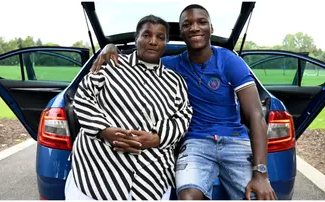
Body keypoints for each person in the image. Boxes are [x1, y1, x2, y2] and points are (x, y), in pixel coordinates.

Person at [92, 4, 277, 200]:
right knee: (188, 196)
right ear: (181, 32)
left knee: (257, 196)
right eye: (187, 24)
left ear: (211, 28)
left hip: (235, 141)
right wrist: (108, 47)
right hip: (196, 142)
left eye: (202, 22)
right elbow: (136, 59)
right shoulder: (170, 65)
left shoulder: (229, 61)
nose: (195, 27)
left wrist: (261, 174)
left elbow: (256, 115)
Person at [65, 14, 193, 200]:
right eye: (146, 35)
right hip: (96, 170)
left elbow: (184, 115)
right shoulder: (111, 65)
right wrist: (104, 130)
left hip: (151, 178)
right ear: (136, 39)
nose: (153, 41)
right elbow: (84, 96)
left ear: (165, 42)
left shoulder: (175, 81)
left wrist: (157, 138)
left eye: (160, 37)